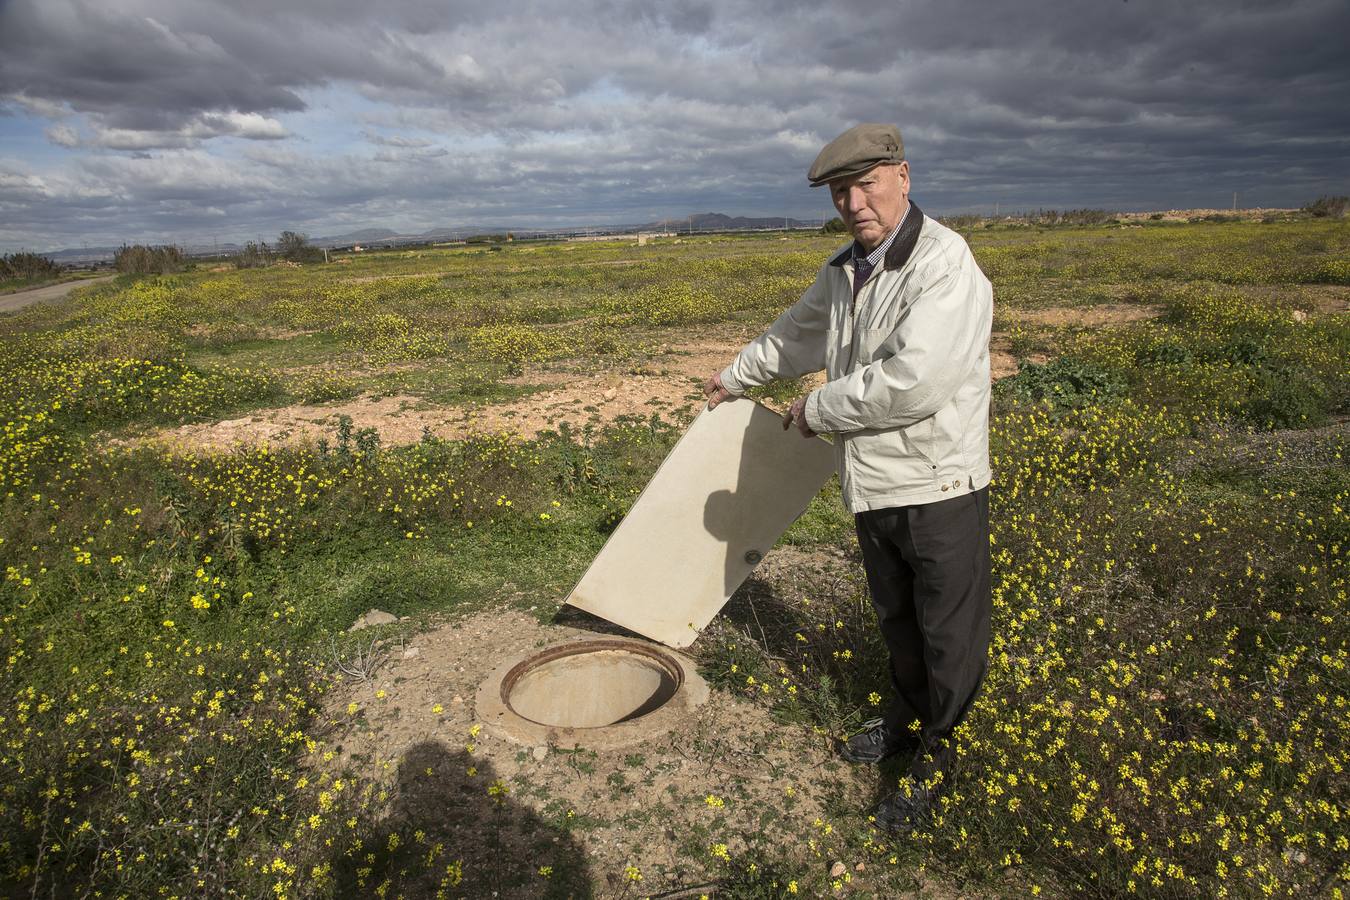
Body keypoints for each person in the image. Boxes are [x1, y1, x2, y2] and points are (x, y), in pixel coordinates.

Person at [704, 123, 992, 832]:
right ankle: (904, 719)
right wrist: (734, 377)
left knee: (948, 634)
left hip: (938, 484)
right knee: (898, 621)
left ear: (903, 176)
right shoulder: (844, 271)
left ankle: (942, 755)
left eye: (867, 184)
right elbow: (794, 334)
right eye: (841, 191)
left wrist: (817, 408)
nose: (855, 203)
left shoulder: (944, 264)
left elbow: (915, 381)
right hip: (872, 484)